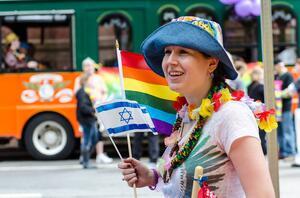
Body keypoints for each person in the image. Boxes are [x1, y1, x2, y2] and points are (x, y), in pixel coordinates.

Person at [118, 16, 275, 197]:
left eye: (183, 52)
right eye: (168, 52)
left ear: (212, 63)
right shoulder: (185, 115)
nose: (170, 61)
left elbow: (263, 195)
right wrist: (151, 176)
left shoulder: (231, 115)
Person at [74, 57, 113, 164]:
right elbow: (76, 93)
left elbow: (105, 92)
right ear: (83, 68)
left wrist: (101, 102)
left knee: (98, 132)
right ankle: (84, 156)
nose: (88, 68)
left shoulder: (98, 78)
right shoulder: (79, 79)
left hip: (97, 108)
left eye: (90, 65)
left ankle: (99, 154)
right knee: (86, 134)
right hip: (86, 110)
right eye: (86, 66)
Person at [274, 59, 297, 160]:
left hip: (286, 107)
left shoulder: (288, 76)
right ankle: (283, 152)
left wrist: (277, 94)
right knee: (279, 131)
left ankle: (290, 152)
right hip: (277, 109)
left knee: (287, 130)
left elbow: (291, 92)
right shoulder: (276, 76)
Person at [75, 73, 99, 169]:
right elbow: (83, 107)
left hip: (87, 119)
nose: (91, 82)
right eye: (90, 80)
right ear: (85, 81)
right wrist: (93, 110)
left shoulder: (84, 92)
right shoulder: (83, 92)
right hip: (87, 119)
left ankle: (84, 159)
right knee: (88, 140)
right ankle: (86, 161)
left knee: (92, 139)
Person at [247, 66, 267, 155]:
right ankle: (260, 152)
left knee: (259, 134)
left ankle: (260, 152)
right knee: (259, 134)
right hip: (257, 113)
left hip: (256, 113)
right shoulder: (257, 86)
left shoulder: (254, 86)